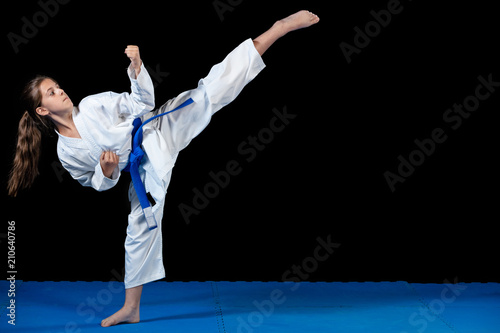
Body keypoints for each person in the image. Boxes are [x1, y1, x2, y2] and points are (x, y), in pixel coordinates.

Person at [7, 10, 319, 327]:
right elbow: (96, 184)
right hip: (144, 171)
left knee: (212, 90)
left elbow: (140, 104)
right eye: (51, 92)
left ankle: (278, 29)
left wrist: (137, 70)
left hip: (159, 128)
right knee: (138, 232)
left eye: (56, 85)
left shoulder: (91, 106)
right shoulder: (66, 153)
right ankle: (131, 308)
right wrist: (108, 171)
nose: (60, 90)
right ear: (43, 110)